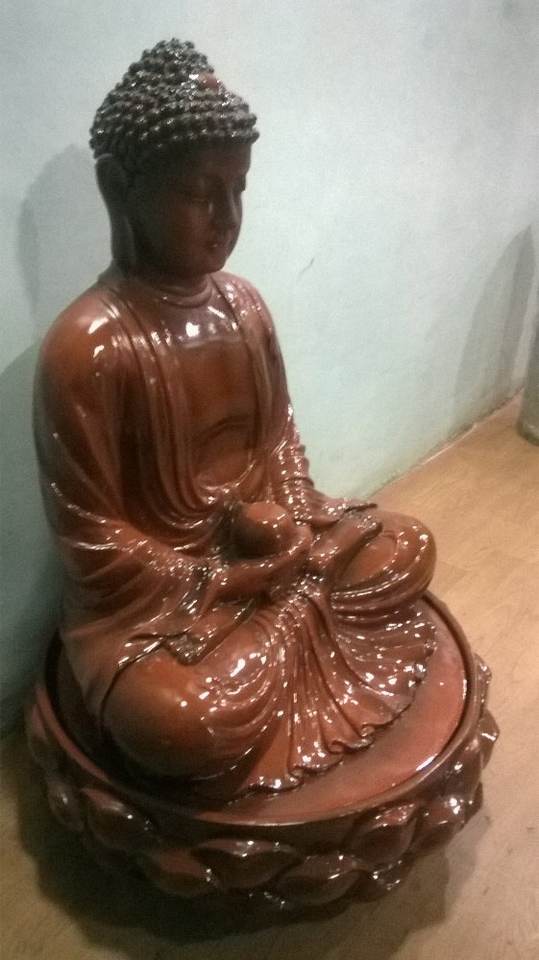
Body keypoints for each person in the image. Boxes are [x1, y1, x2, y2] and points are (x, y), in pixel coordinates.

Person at [34, 40, 436, 798]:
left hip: (273, 562)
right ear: (118, 188)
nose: (226, 218)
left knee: (407, 548)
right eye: (198, 193)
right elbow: (92, 538)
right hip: (167, 608)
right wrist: (226, 578)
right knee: (178, 723)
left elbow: (277, 439)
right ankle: (301, 618)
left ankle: (297, 609)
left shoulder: (244, 306)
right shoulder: (88, 345)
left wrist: (296, 521)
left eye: (238, 189)